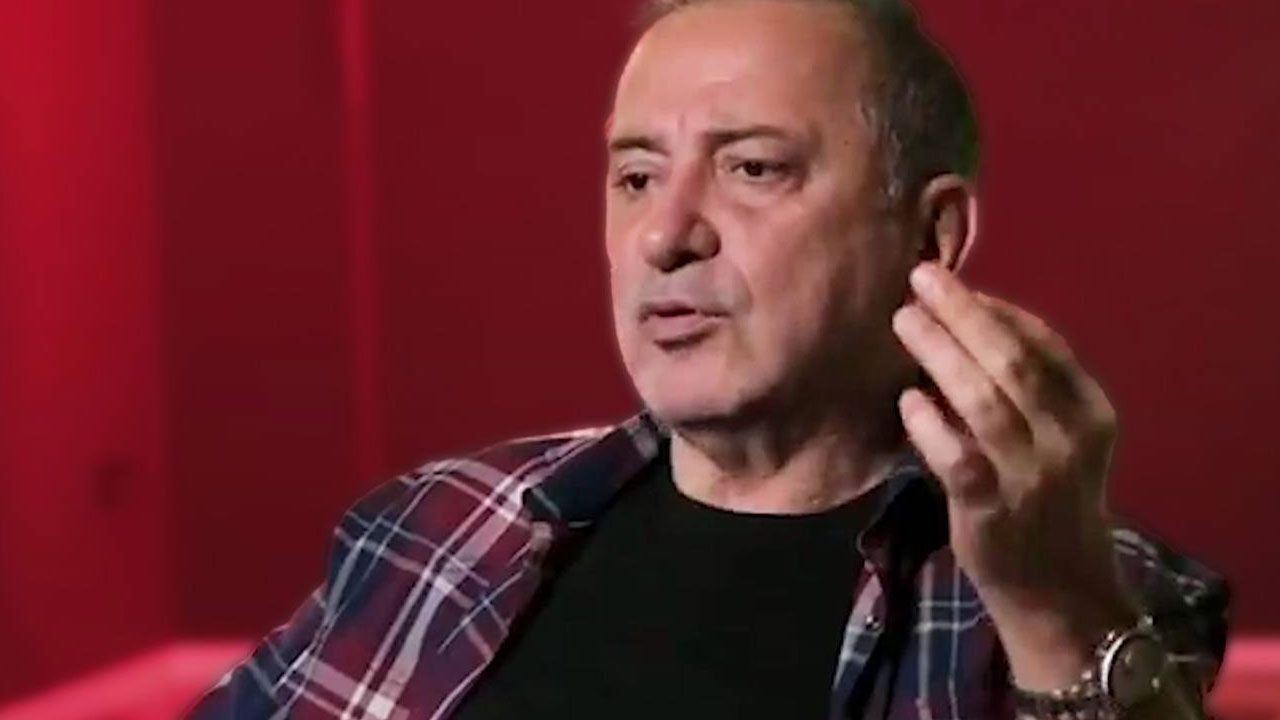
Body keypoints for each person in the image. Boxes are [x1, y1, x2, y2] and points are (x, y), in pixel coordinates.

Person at [190, 0, 1229, 717]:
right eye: (636, 177)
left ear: (929, 237)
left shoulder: (1094, 589)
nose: (664, 235)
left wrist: (1058, 613)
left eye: (752, 167)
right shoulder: (433, 527)